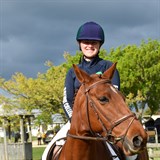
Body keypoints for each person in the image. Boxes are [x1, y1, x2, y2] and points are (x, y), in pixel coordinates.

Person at [42, 22, 136, 160]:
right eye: (86, 42)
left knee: (132, 156)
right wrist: (76, 121)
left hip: (104, 124)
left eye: (94, 42)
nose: (90, 46)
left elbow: (114, 101)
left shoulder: (109, 67)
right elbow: (66, 100)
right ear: (80, 44)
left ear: (99, 45)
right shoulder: (73, 72)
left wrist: (103, 124)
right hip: (76, 123)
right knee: (47, 153)